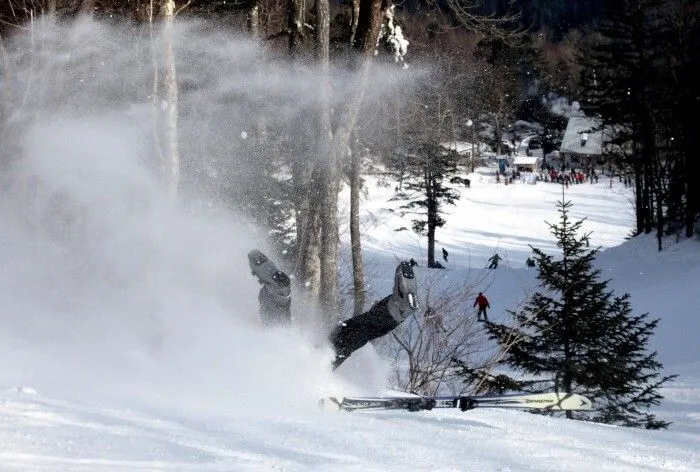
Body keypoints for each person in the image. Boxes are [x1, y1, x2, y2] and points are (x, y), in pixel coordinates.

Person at [329, 261, 419, 370]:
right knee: (356, 331)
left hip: (387, 316)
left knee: (352, 332)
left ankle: (326, 362)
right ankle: (328, 361)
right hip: (390, 319)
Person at [247, 249, 291, 326]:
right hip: (277, 298)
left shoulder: (268, 291)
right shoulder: (270, 268)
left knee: (275, 320)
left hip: (275, 302)